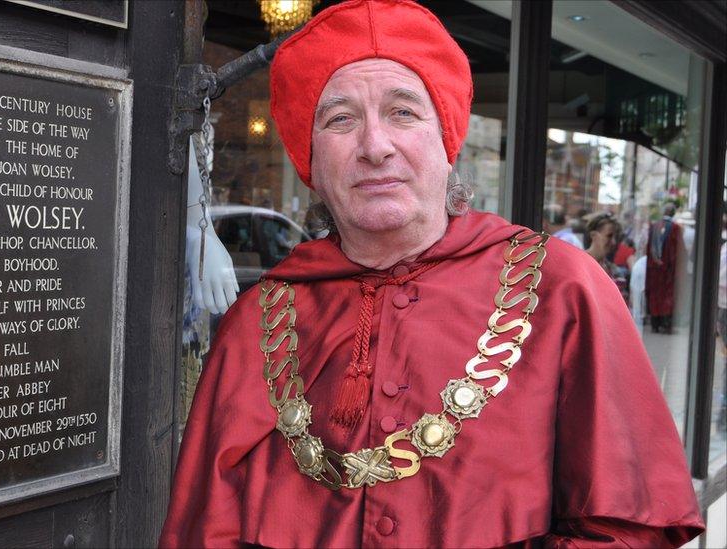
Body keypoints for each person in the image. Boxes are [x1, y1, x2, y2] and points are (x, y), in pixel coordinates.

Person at [160, 1, 703, 547]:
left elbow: (626, 528)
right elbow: (205, 530)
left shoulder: (563, 291)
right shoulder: (255, 325)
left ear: (447, 140)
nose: (375, 147)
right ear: (310, 161)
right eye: (341, 119)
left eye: (403, 112)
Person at [646, 203, 683, 334]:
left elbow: (648, 248)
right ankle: (666, 323)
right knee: (667, 295)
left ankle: (655, 323)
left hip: (654, 269)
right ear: (673, 213)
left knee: (655, 295)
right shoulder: (676, 228)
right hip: (668, 270)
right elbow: (677, 251)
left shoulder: (654, 226)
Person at [584, 212, 628, 303]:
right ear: (593, 235)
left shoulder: (612, 269)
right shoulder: (580, 264)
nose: (614, 242)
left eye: (616, 237)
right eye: (609, 236)